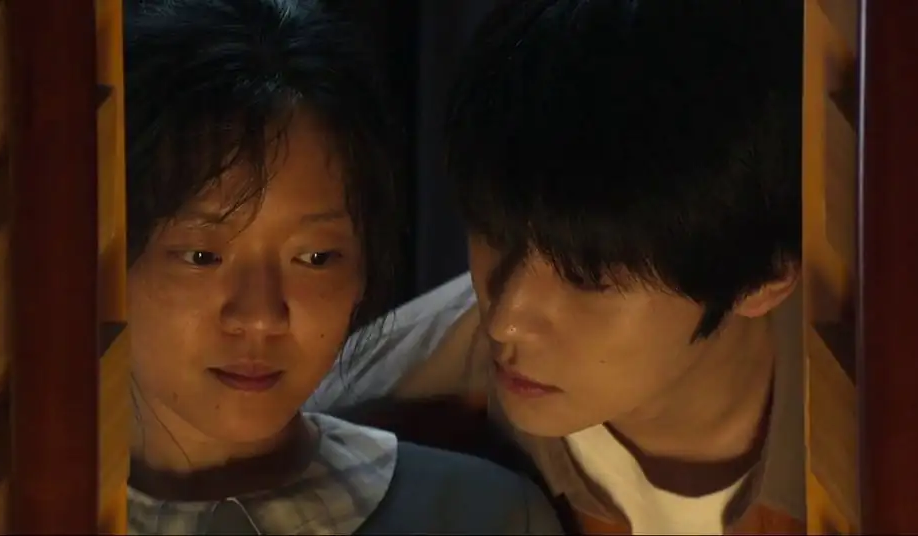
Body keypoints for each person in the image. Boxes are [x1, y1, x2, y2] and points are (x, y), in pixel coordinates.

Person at [306, 0, 806, 534]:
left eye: (585, 277)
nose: (505, 320)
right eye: (494, 233)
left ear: (762, 278)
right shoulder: (370, 432)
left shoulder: (863, 417)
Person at [123, 0, 564, 533]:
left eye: (314, 258)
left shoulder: (479, 516)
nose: (261, 317)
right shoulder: (34, 502)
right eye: (202, 256)